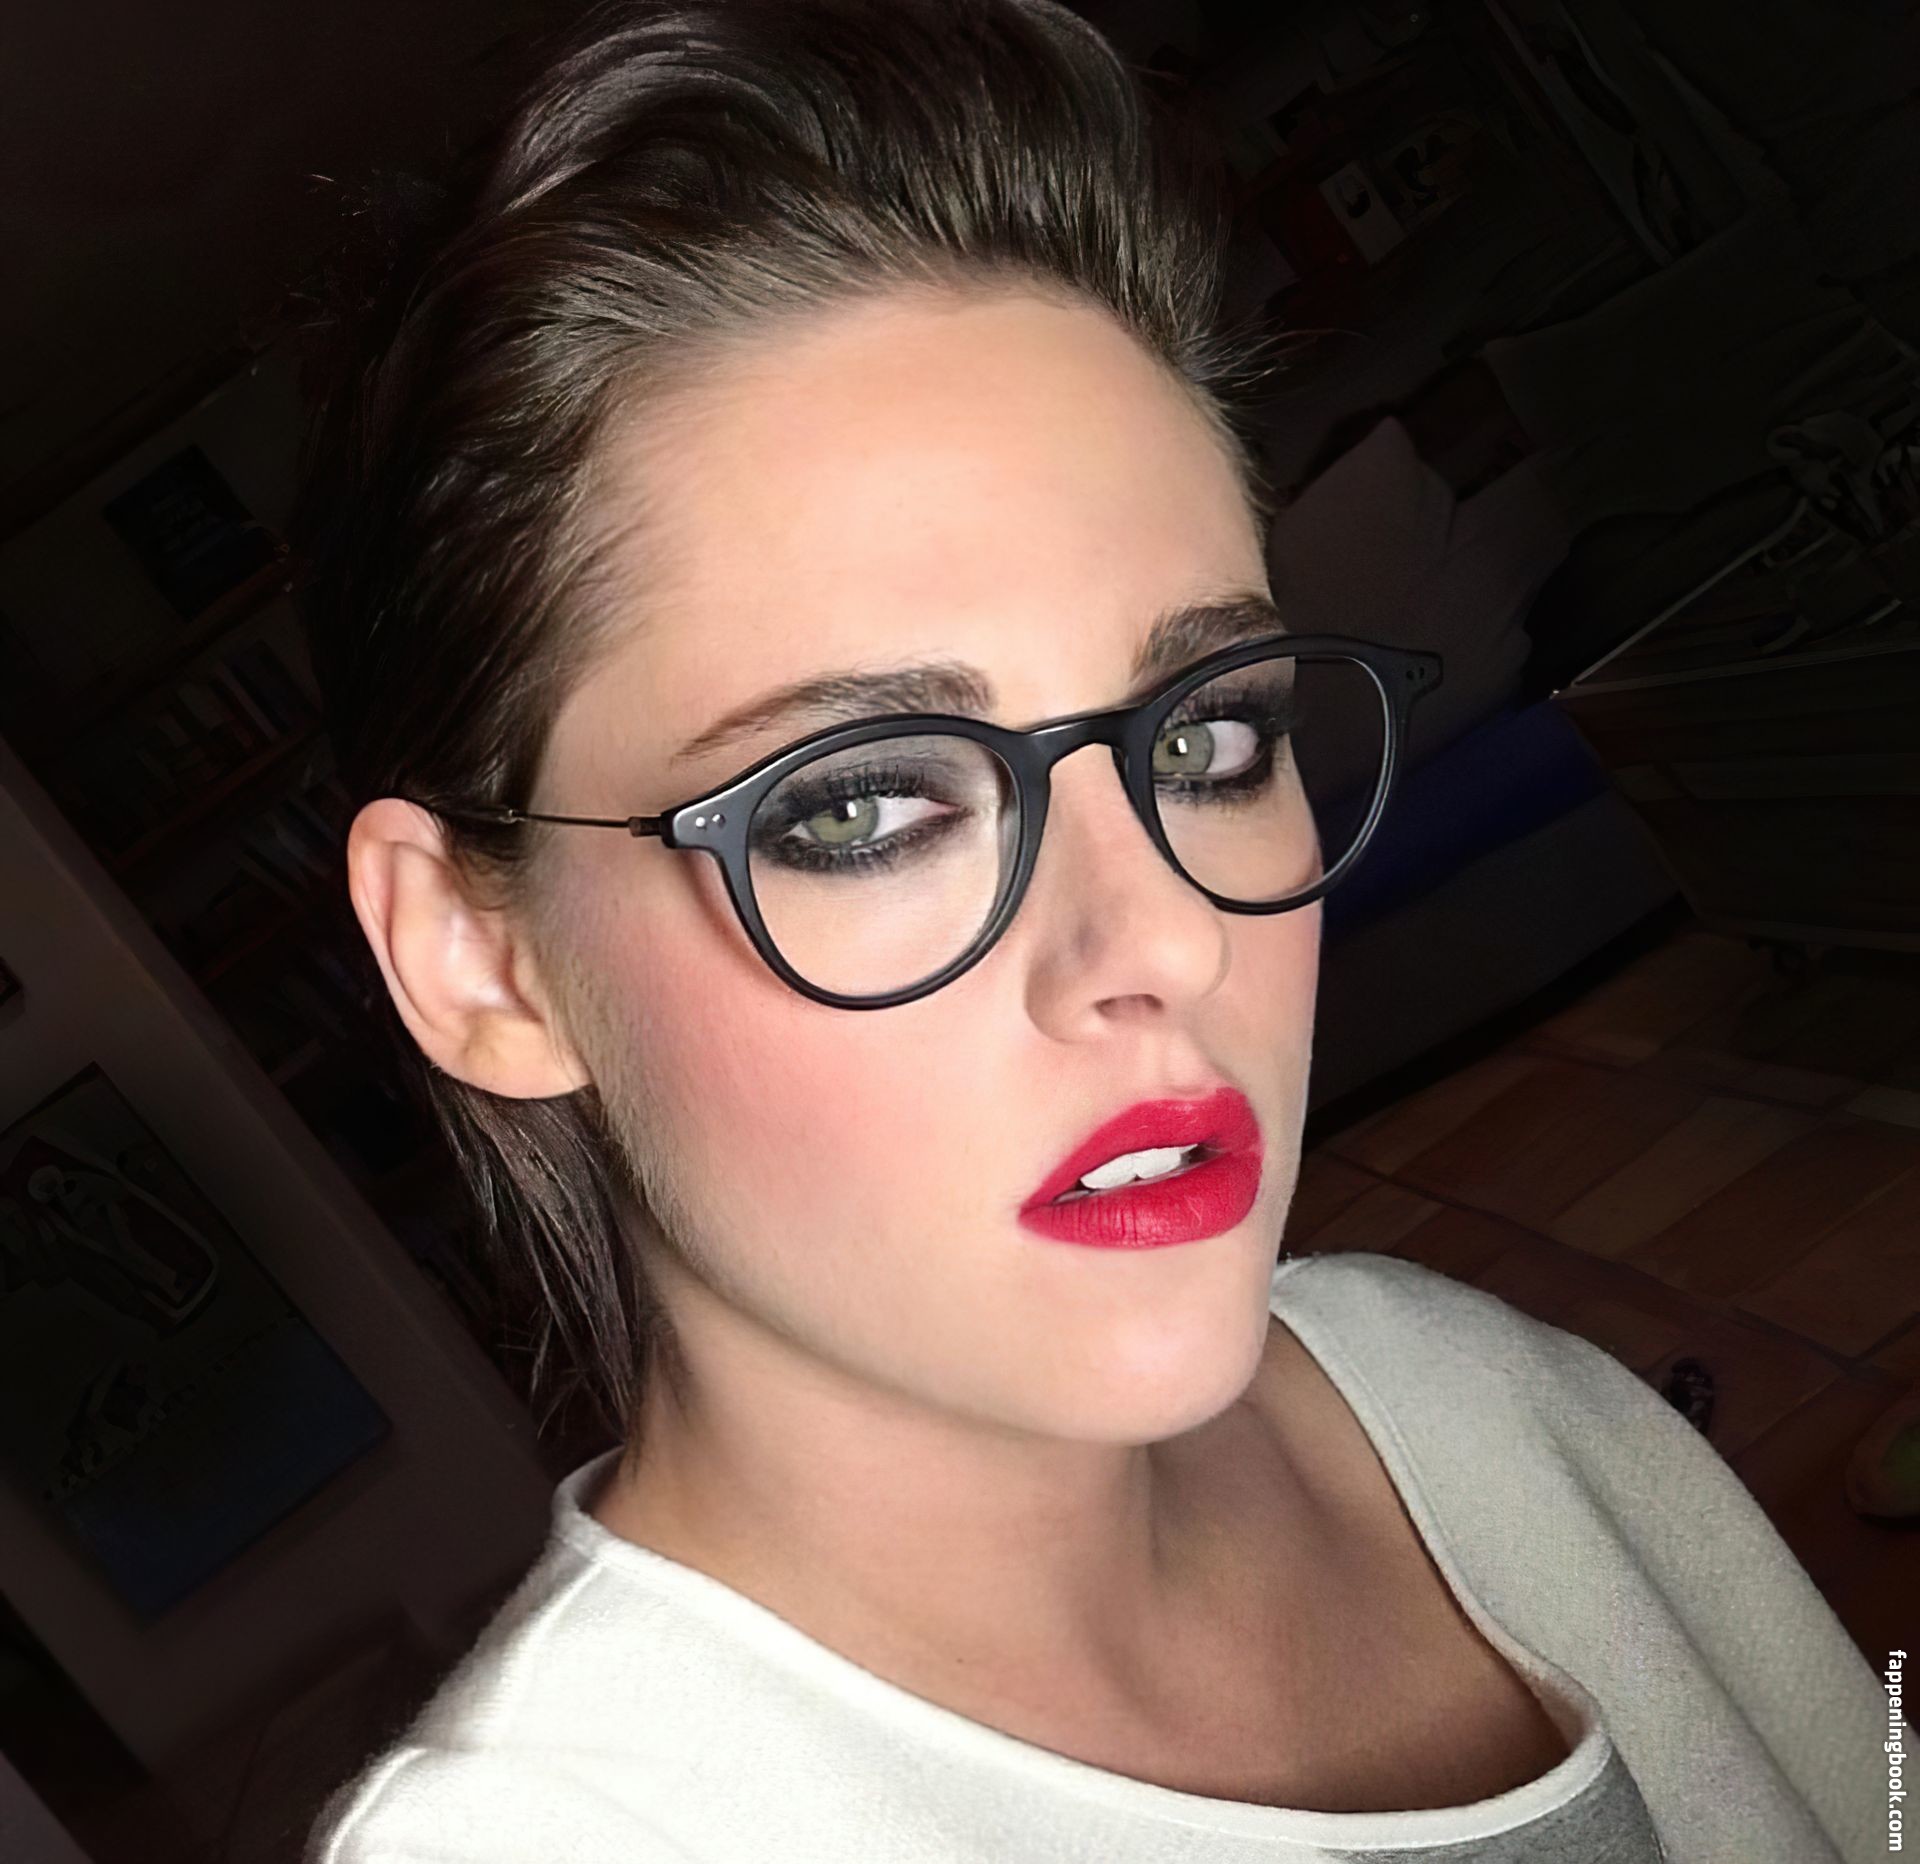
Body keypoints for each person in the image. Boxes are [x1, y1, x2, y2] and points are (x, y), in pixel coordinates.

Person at [294, 3, 1891, 1858]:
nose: (1165, 941)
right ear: (479, 959)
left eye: (1204, 739)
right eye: (865, 804)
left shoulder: (1466, 1389)